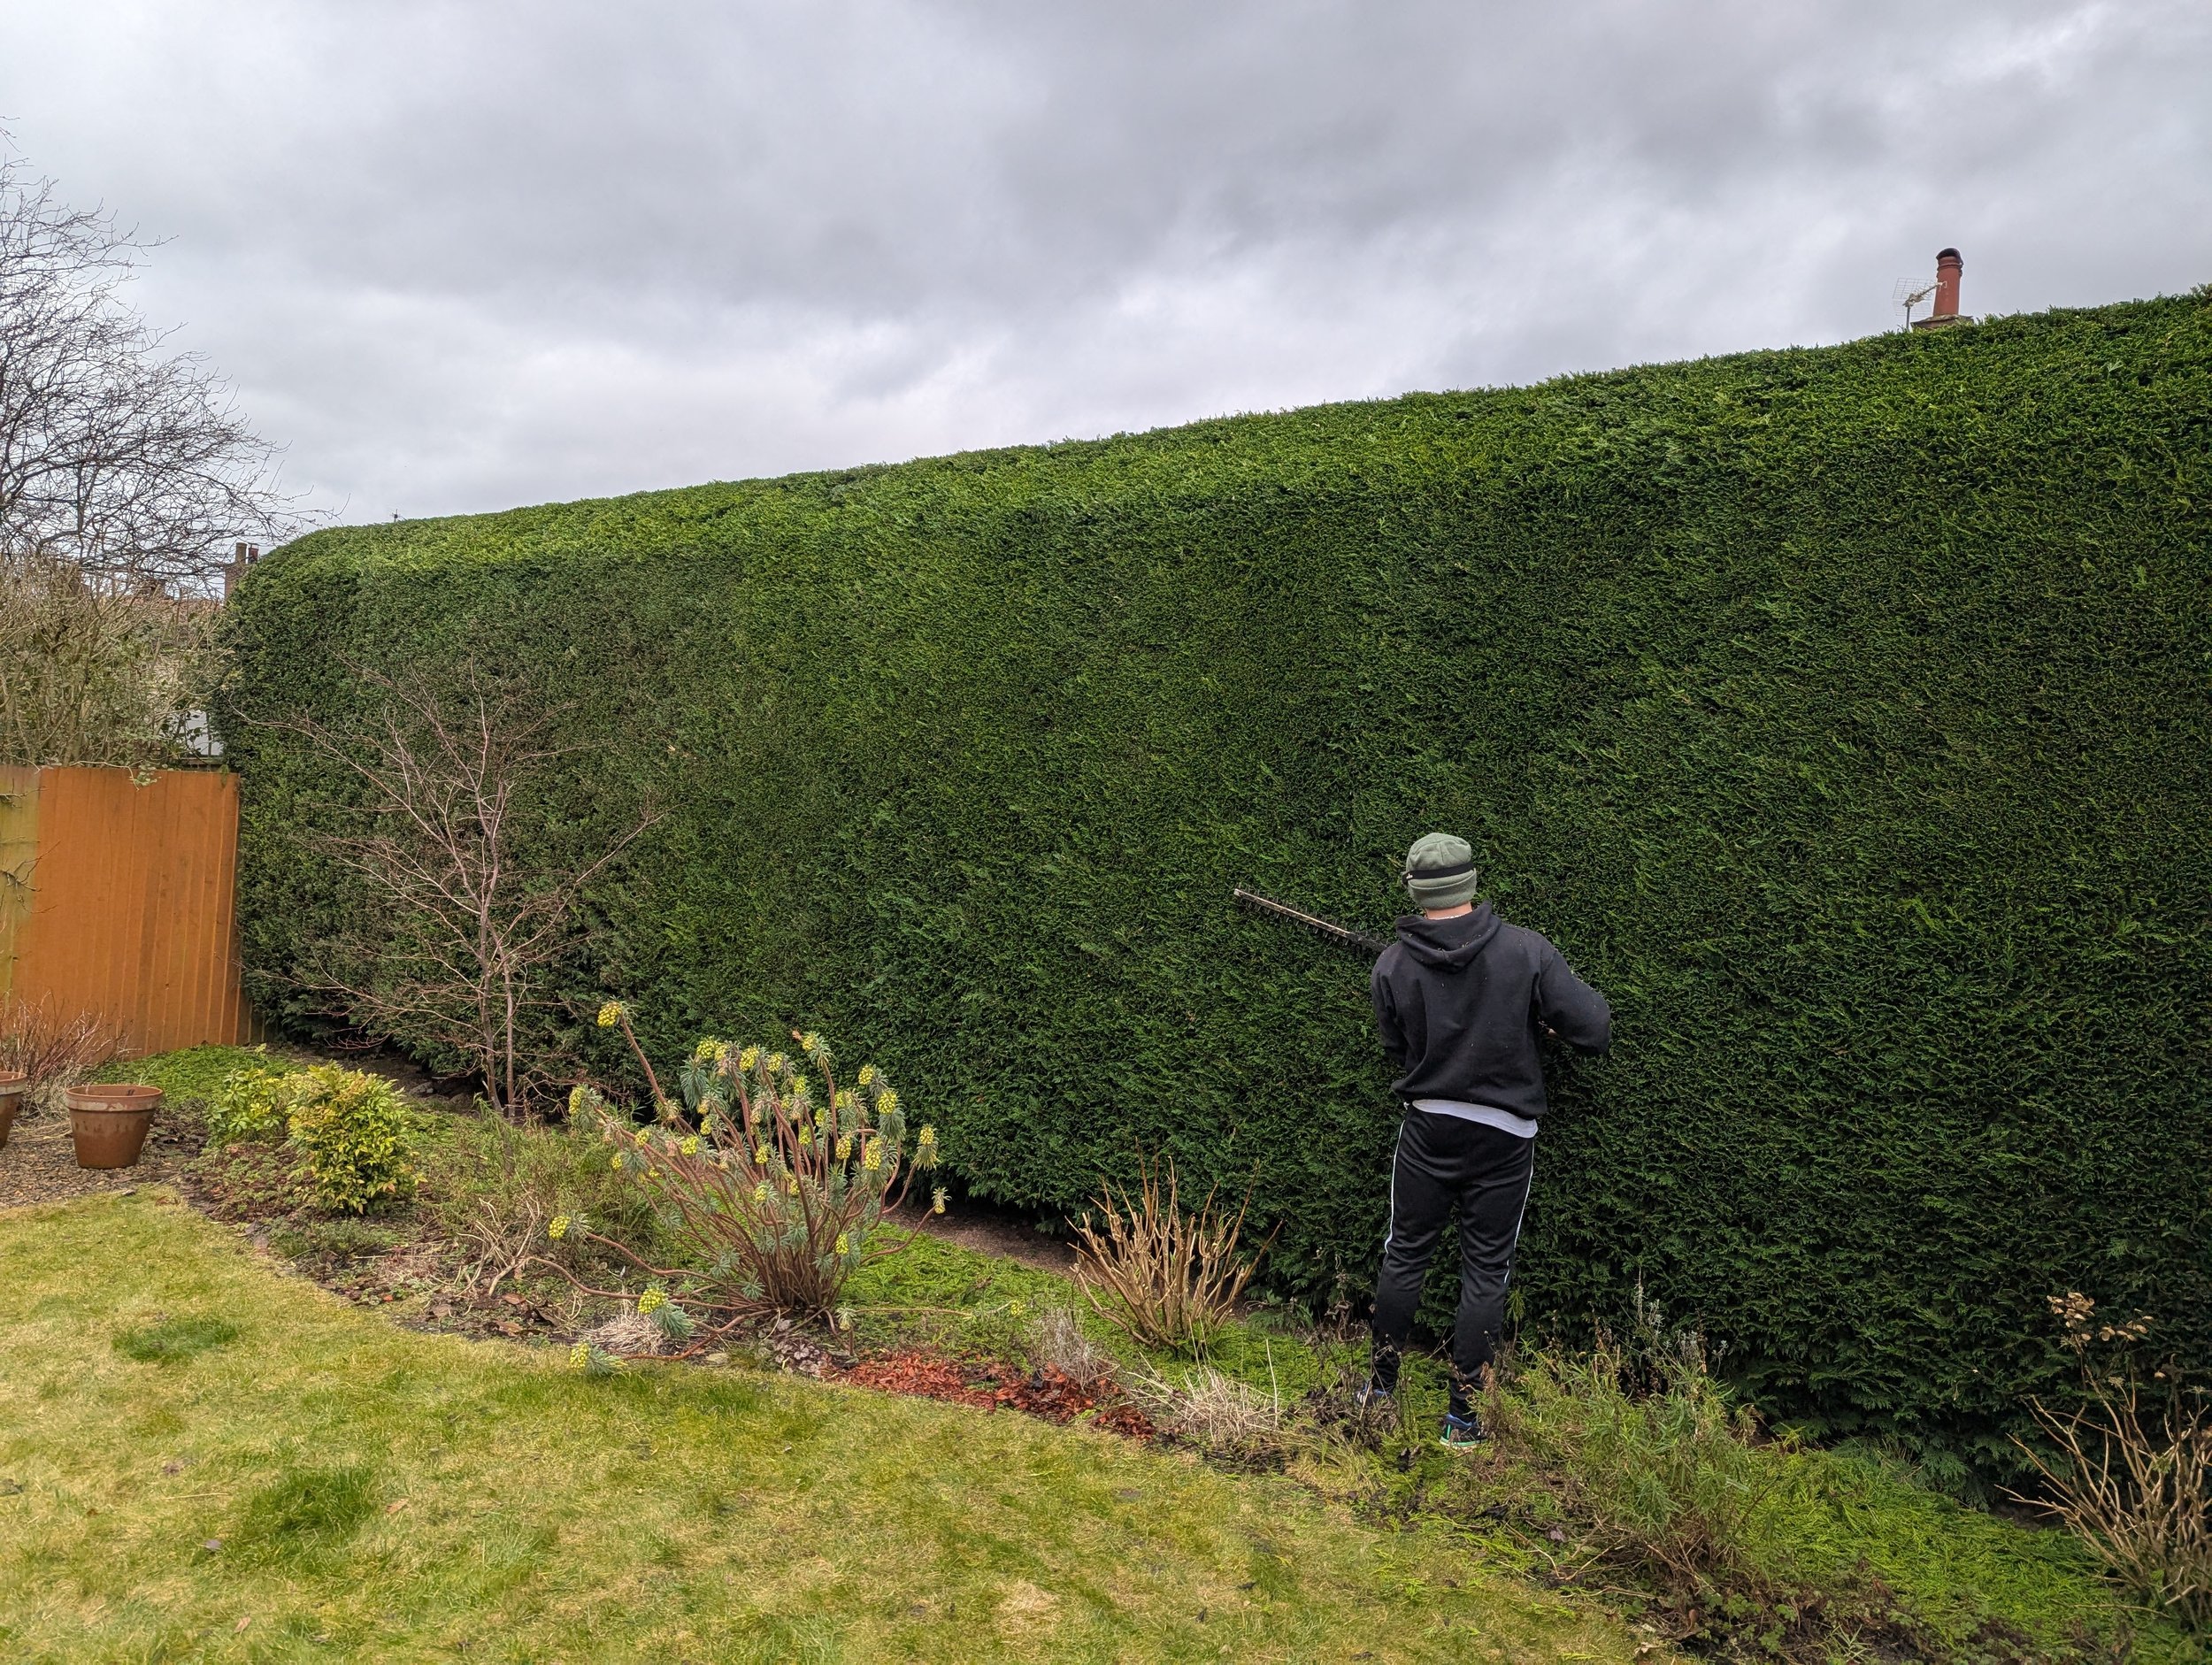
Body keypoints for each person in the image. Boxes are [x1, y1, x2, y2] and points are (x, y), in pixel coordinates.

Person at [1364, 832, 1611, 1446]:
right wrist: (1541, 1020)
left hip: (1428, 1128)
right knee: (1486, 1270)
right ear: (1471, 883)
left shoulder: (1392, 963)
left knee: (1405, 1253)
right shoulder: (1527, 952)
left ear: (1416, 892)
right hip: (1504, 1136)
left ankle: (1379, 1393)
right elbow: (1594, 1029)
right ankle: (1462, 1421)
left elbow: (1396, 1046)